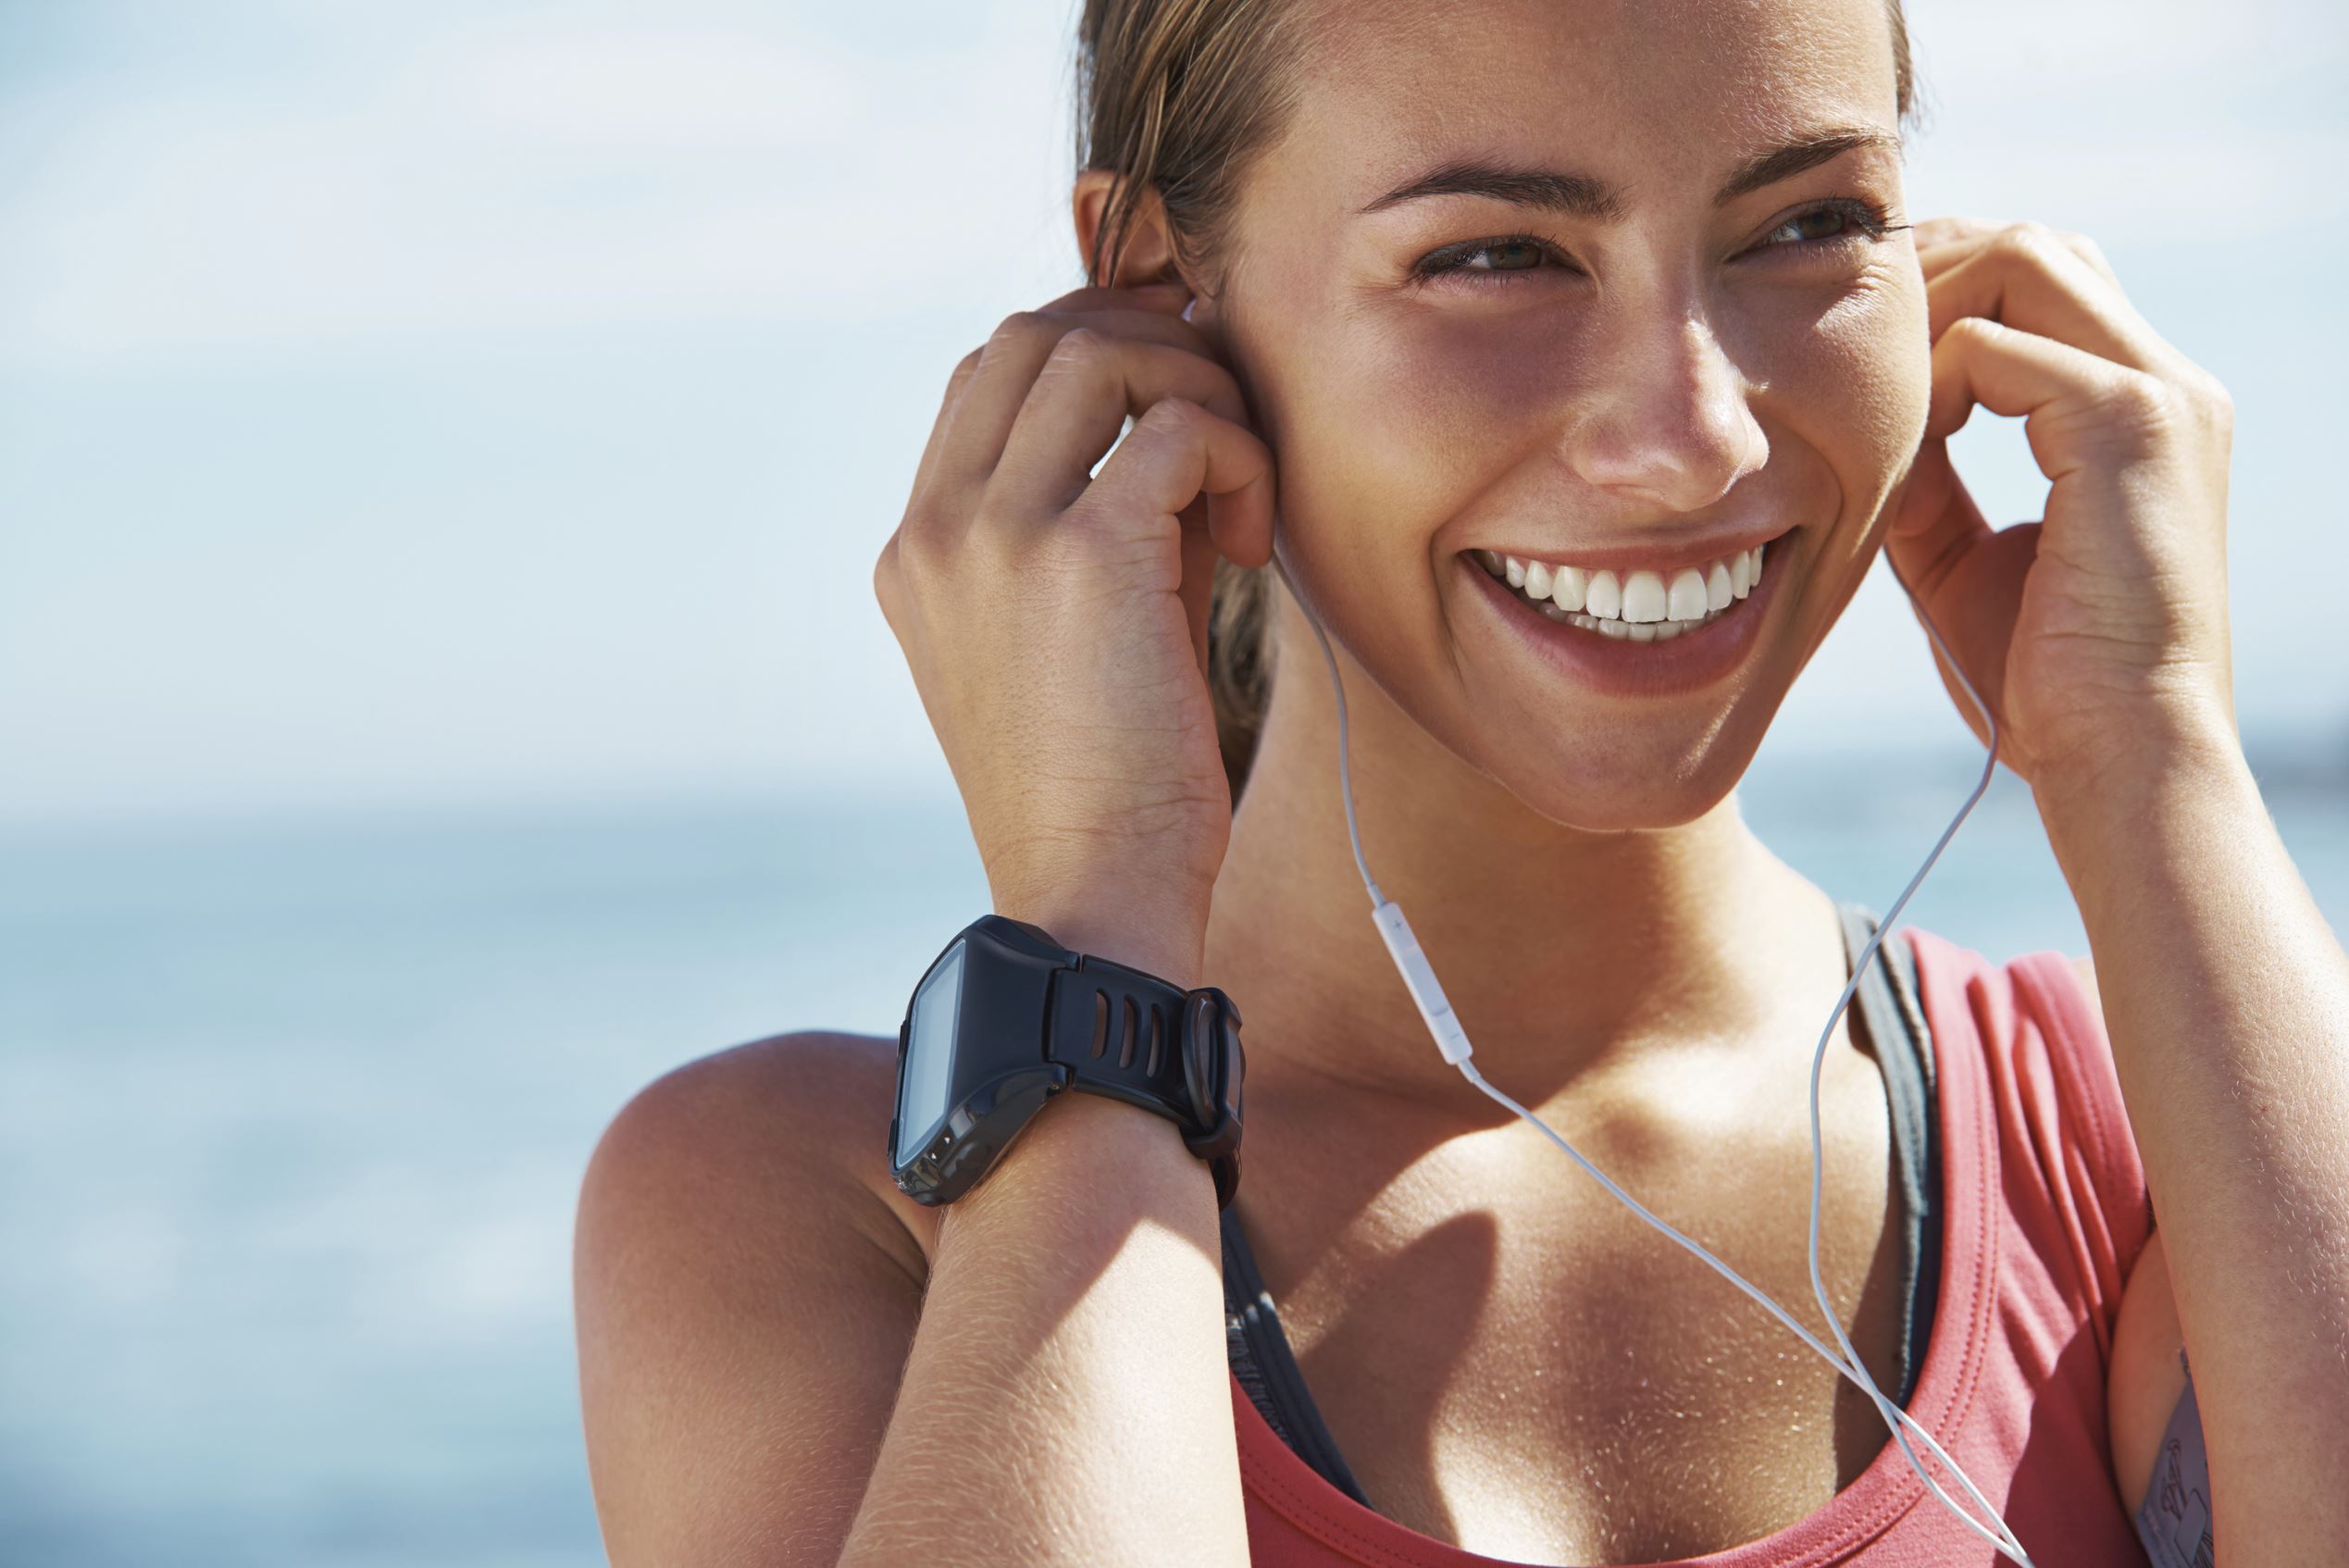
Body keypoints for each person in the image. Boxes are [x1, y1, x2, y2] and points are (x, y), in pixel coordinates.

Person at [570, 1, 2349, 1563]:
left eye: (1812, 223)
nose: (1694, 435)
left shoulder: (2138, 1139)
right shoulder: (820, 1206)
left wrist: (2155, 754)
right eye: (1497, 255)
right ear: (1152, 287)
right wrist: (1095, 904)